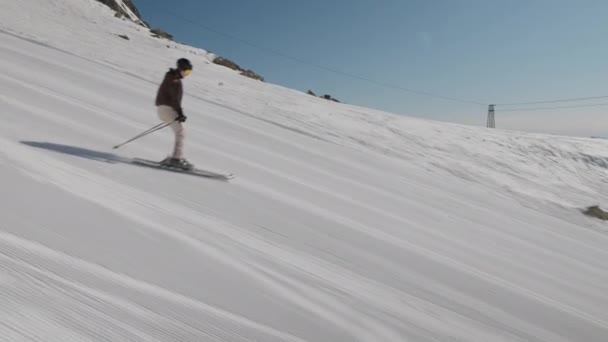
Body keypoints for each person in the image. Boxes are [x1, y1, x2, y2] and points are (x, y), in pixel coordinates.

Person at [155, 58, 193, 170]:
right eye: (186, 72)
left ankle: (175, 157)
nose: (187, 74)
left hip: (163, 109)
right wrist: (180, 113)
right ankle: (176, 159)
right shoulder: (174, 79)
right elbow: (174, 99)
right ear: (181, 69)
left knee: (179, 131)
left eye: (189, 73)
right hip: (167, 109)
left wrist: (179, 113)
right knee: (181, 132)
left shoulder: (171, 77)